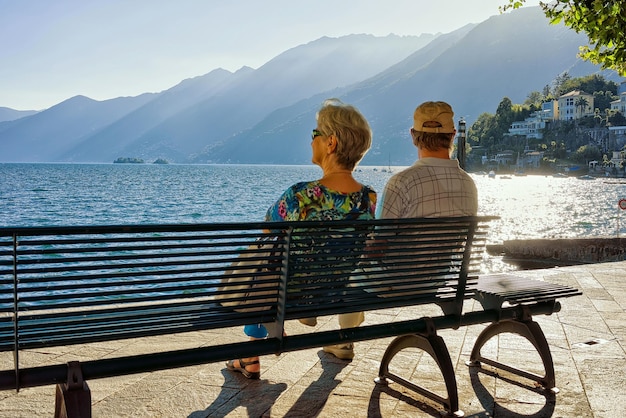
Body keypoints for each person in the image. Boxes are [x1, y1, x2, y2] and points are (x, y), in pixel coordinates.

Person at [226, 98, 377, 379]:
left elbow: (266, 230)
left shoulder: (300, 195)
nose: (311, 141)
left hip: (291, 298)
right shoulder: (368, 197)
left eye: (315, 134)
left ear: (330, 143)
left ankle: (250, 352)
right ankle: (250, 351)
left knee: (264, 261)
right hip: (336, 292)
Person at [377, 101, 477, 219]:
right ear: (453, 135)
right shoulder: (468, 184)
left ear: (413, 135)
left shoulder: (401, 183)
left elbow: (381, 235)